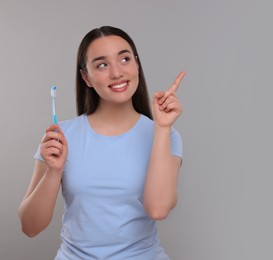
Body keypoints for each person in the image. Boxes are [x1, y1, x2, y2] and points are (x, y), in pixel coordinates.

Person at [18, 26, 185, 259]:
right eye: (102, 65)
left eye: (124, 59)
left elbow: (158, 208)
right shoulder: (60, 137)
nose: (117, 73)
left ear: (137, 64)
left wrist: (162, 128)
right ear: (86, 77)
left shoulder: (165, 134)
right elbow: (30, 226)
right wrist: (53, 172)